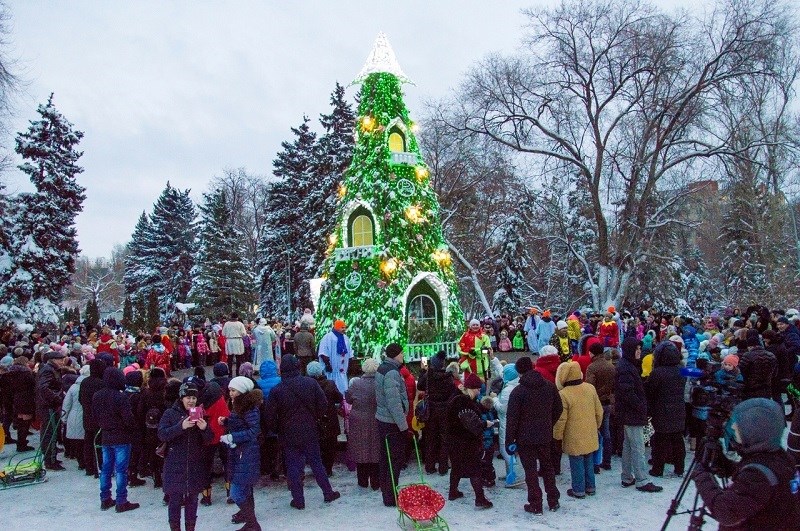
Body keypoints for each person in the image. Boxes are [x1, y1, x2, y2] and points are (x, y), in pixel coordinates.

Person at [693, 398, 800, 528]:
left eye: (738, 425)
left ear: (753, 431)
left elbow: (726, 511)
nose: (732, 427)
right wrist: (726, 466)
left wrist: (702, 477)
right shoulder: (779, 457)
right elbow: (761, 486)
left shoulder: (758, 474)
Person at [264, 355, 341, 510]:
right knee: (316, 462)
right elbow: (323, 404)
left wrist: (277, 429)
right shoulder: (310, 383)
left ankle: (298, 500)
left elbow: (269, 416)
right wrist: (315, 418)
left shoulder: (277, 390)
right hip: (310, 430)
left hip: (288, 433)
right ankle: (328, 492)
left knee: (293, 466)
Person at [505, 356, 563, 514]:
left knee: (530, 472)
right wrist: (548, 422)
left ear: (519, 372)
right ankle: (553, 500)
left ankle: (535, 503)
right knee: (548, 468)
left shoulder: (518, 392)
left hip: (525, 438)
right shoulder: (549, 386)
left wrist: (509, 440)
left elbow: (512, 419)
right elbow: (559, 408)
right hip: (544, 435)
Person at [158, 382, 212, 531]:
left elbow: (209, 438)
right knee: (175, 502)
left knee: (192, 501)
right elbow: (162, 434)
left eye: (194, 398)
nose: (191, 401)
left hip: (194, 466)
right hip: (175, 466)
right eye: (188, 397)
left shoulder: (200, 413)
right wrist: (181, 427)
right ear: (181, 397)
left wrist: (204, 428)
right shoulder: (170, 413)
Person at [615, 336, 662, 492]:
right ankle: (641, 479)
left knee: (628, 446)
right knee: (638, 447)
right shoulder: (626, 368)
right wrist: (641, 406)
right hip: (631, 413)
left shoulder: (628, 366)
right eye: (637, 349)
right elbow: (627, 393)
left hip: (628, 413)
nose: (639, 352)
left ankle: (627, 476)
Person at [93, 367, 140, 513]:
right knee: (121, 470)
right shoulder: (121, 397)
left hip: (106, 435)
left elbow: (95, 416)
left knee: (106, 469)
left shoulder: (97, 395)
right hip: (121, 436)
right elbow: (128, 418)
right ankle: (121, 500)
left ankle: (105, 498)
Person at [553, 361, 603, 499]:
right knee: (588, 459)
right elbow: (599, 411)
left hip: (573, 435)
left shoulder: (564, 394)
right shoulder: (590, 388)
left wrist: (557, 436)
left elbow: (561, 419)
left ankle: (578, 489)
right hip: (590, 431)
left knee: (576, 462)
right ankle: (591, 487)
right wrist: (596, 426)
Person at [219, 376, 263, 531]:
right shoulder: (239, 403)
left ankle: (252, 523)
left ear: (242, 390)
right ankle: (249, 519)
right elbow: (241, 423)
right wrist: (226, 422)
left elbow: (253, 430)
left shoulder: (248, 407)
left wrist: (232, 436)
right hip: (240, 452)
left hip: (246, 453)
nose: (230, 393)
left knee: (237, 492)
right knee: (245, 489)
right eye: (230, 390)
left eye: (233, 390)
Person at [445, 372, 493, 508]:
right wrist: (485, 424)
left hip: (453, 440)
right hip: (466, 442)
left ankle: (453, 492)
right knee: (475, 470)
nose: (479, 392)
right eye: (478, 389)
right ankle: (480, 499)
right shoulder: (464, 402)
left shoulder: (457, 398)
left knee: (456, 467)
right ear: (472, 388)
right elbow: (471, 424)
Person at [375, 343, 411, 507]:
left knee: (386, 460)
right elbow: (394, 403)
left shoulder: (384, 367)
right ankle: (391, 496)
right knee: (393, 460)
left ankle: (388, 494)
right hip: (391, 423)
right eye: (402, 353)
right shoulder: (391, 372)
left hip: (384, 420)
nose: (403, 356)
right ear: (396, 355)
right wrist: (403, 427)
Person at [644, 341, 686, 477]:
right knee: (677, 440)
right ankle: (679, 468)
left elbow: (650, 391)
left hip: (662, 410)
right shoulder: (682, 371)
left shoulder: (658, 373)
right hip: (679, 409)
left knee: (660, 441)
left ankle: (658, 468)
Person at [418, 350, 457, 475]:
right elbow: (452, 392)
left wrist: (423, 371)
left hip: (431, 409)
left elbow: (420, 386)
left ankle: (429, 466)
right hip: (445, 410)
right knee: (445, 439)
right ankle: (443, 467)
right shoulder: (448, 377)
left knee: (430, 438)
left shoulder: (428, 375)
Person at [346, 357, 381, 490]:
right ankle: (376, 482)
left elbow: (349, 400)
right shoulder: (380, 383)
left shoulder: (356, 384)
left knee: (361, 450)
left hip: (358, 420)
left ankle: (362, 481)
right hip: (376, 418)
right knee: (375, 450)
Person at [307, 360, 343, 476]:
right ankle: (328, 469)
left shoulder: (307, 386)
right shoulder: (330, 384)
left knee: (317, 446)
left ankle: (318, 468)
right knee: (330, 445)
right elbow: (339, 398)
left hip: (314, 420)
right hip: (330, 419)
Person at [586, 341, 615, 472]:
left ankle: (595, 464)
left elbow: (590, 386)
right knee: (606, 433)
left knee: (594, 433)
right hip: (608, 402)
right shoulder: (610, 366)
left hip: (596, 403)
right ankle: (607, 461)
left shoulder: (592, 367)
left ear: (592, 353)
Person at [36, 348, 67, 470]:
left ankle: (51, 457)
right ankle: (50, 460)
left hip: (49, 405)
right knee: (50, 432)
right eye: (60, 360)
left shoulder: (50, 369)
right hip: (49, 406)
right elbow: (43, 388)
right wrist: (56, 398)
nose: (62, 362)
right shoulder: (48, 370)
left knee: (50, 432)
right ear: (53, 360)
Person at [199, 381, 229, 506]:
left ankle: (206, 496)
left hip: (208, 434)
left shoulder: (199, 402)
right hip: (224, 432)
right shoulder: (220, 395)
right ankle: (230, 491)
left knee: (205, 466)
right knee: (228, 462)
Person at [5, 356, 35, 453]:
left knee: (21, 421)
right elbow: (33, 384)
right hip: (26, 398)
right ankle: (22, 443)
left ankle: (21, 442)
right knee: (25, 422)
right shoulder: (26, 373)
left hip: (16, 398)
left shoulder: (10, 373)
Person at [318, 320, 353, 394]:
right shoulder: (328, 337)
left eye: (345, 327)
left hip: (342, 370)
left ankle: (343, 399)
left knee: (343, 387)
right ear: (337, 327)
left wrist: (349, 363)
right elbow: (323, 352)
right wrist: (327, 364)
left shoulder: (346, 338)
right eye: (342, 327)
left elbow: (349, 352)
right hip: (332, 370)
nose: (344, 329)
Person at [739, 332, 777, 399]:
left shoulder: (747, 355)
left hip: (751, 387)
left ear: (750, 346)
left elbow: (742, 370)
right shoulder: (771, 355)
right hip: (767, 386)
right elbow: (775, 372)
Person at [223, 312, 248, 378]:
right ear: (237, 317)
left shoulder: (227, 324)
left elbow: (223, 333)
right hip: (238, 340)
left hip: (229, 340)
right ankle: (237, 372)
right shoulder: (240, 324)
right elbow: (244, 334)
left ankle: (230, 373)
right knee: (238, 357)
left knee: (230, 358)